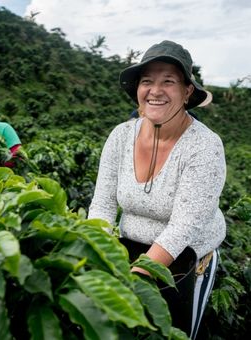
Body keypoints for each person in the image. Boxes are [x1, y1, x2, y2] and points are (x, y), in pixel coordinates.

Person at [88, 40, 226, 339]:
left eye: (169, 81)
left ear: (187, 91)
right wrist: (96, 257)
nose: (156, 90)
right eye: (147, 81)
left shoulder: (205, 146)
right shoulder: (121, 136)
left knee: (172, 332)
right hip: (129, 245)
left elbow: (183, 227)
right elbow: (102, 205)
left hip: (185, 258)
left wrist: (132, 279)